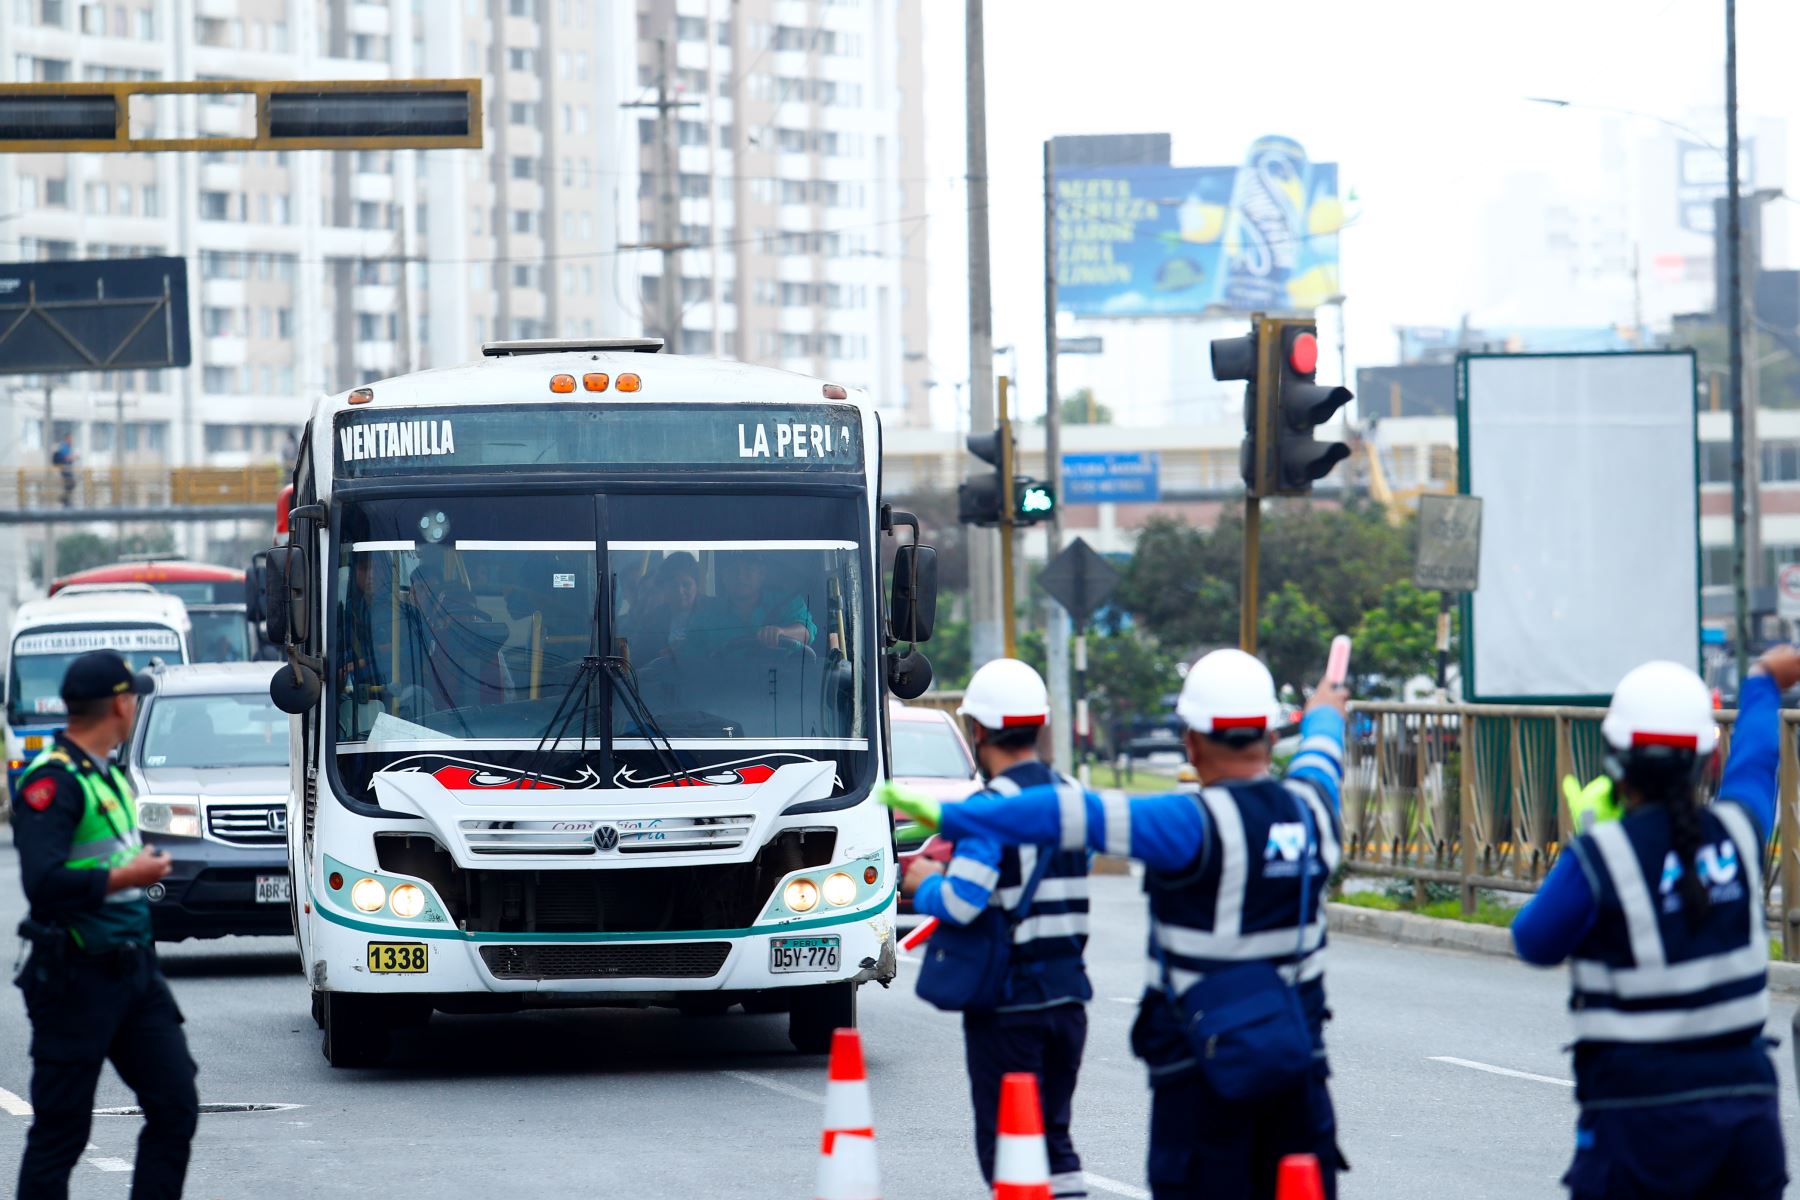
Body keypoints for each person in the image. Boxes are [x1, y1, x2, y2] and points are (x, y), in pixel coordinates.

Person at [881, 648, 1350, 1200]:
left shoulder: (1186, 824)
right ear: (1270, 736)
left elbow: (1061, 815)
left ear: (1191, 742)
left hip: (1203, 1079)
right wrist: (1324, 710)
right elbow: (1323, 751)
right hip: (1299, 1072)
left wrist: (952, 815)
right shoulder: (1315, 810)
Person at [1512, 649, 1799, 1200]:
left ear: (1614, 761)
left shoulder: (1601, 858)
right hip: (1745, 1120)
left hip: (1638, 1126)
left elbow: (1533, 941)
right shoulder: (1739, 834)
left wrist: (1591, 843)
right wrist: (1762, 681)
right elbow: (1759, 759)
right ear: (1706, 762)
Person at [10, 650, 199, 1199]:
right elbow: (43, 882)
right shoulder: (53, 782)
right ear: (119, 705)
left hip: (135, 974)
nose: (135, 706)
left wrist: (136, 866)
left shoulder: (109, 775)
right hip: (75, 977)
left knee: (176, 1106)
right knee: (61, 1133)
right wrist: (128, 875)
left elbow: (107, 853)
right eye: (133, 697)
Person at [900, 659, 1091, 1199]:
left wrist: (926, 882)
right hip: (1068, 999)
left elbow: (962, 902)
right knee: (1054, 1138)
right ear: (1040, 724)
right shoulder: (1075, 797)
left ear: (978, 731)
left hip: (1012, 1008)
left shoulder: (989, 810)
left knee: (1006, 1147)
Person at [682, 553, 816, 657]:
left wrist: (782, 632)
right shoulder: (707, 614)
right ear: (723, 576)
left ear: (762, 574)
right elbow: (689, 651)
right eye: (733, 570)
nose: (740, 577)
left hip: (781, 681)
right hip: (726, 682)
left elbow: (806, 632)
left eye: (749, 569)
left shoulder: (788, 601)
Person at [51, 434, 76, 509]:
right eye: (70, 439)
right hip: (65, 469)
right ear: (67, 439)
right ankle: (63, 499)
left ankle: (65, 500)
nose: (71, 441)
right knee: (71, 483)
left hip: (66, 469)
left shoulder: (67, 447)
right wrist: (73, 458)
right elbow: (65, 457)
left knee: (69, 485)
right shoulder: (64, 447)